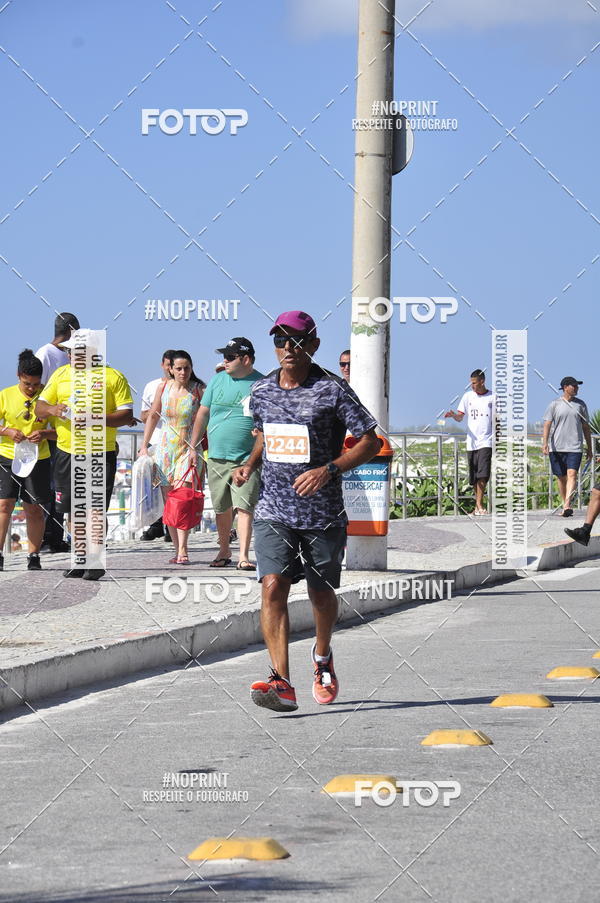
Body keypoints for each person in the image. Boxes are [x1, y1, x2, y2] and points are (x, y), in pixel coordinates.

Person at [232, 310, 380, 713]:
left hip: (322, 512)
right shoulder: (262, 390)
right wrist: (251, 462)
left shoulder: (332, 389)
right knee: (272, 585)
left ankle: (322, 655)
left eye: (295, 341)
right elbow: (264, 434)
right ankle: (281, 681)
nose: (287, 349)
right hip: (274, 508)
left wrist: (329, 469)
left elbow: (369, 442)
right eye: (280, 341)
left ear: (313, 345)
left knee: (319, 591)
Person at [35, 329, 134, 580]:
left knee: (95, 509)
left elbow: (125, 415)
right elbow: (39, 407)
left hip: (101, 452)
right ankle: (79, 558)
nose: (68, 354)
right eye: (67, 350)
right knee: (73, 510)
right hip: (67, 452)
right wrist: (53, 409)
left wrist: (94, 418)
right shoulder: (60, 374)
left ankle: (96, 560)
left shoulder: (113, 377)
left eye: (73, 350)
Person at [189, 337, 263, 570]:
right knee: (222, 507)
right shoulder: (217, 380)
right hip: (217, 455)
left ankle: (243, 556)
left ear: (246, 359)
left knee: (244, 506)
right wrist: (194, 446)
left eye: (230, 357)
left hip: (247, 457)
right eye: (224, 356)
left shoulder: (262, 383)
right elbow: (203, 413)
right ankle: (224, 550)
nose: (225, 361)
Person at [139, 350, 205, 565]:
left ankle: (184, 549)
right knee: (170, 502)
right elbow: (153, 415)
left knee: (183, 498)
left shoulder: (198, 390)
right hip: (165, 448)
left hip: (189, 447)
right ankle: (177, 549)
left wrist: (198, 446)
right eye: (178, 368)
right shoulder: (163, 387)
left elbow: (205, 419)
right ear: (170, 369)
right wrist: (144, 445)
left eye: (187, 368)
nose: (183, 372)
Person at [0, 350, 57, 571]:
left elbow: (60, 431)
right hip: (7, 456)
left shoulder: (47, 398)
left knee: (34, 508)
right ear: (18, 376)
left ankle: (33, 555)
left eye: (35, 384)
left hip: (38, 458)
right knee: (4, 504)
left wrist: (44, 434)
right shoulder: (5, 395)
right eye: (27, 384)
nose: (31, 389)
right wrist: (7, 431)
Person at [35, 312, 80, 553]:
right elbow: (37, 390)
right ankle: (50, 536)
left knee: (63, 486)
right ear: (72, 330)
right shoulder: (46, 354)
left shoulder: (65, 356)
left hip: (66, 431)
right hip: (50, 429)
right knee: (53, 486)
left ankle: (57, 536)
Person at [445, 369, 494, 515]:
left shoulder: (493, 397)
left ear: (482, 381)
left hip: (486, 441)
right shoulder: (467, 397)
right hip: (471, 442)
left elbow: (497, 420)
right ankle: (477, 506)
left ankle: (479, 504)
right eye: (471, 383)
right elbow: (461, 417)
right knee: (474, 476)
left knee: (483, 474)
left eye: (474, 383)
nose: (472, 385)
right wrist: (454, 415)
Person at [139, 349, 175, 543]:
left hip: (174, 443)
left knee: (171, 486)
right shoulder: (152, 386)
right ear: (163, 365)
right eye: (168, 365)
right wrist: (156, 410)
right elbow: (144, 415)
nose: (170, 369)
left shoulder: (185, 387)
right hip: (156, 440)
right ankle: (156, 524)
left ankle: (172, 526)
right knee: (156, 486)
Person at [543, 377, 592, 517]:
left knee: (572, 474)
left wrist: (589, 447)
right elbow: (547, 424)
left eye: (577, 386)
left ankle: (567, 505)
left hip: (575, 447)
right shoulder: (554, 404)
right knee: (561, 477)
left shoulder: (581, 405)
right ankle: (565, 504)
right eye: (574, 386)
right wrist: (545, 443)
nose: (577, 388)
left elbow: (586, 427)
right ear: (565, 387)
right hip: (557, 447)